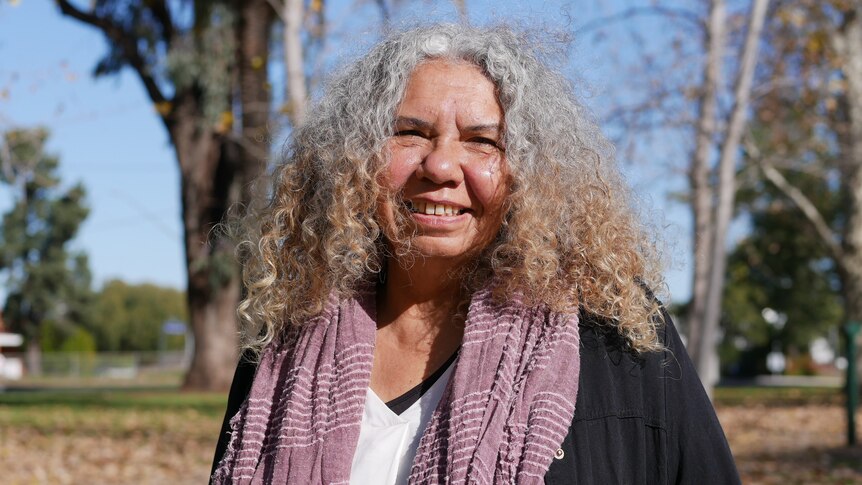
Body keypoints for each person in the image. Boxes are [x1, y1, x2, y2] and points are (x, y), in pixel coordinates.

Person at [210, 24, 740, 485]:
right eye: (409, 133)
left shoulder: (617, 330)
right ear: (355, 161)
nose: (440, 166)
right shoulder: (285, 341)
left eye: (483, 141)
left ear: (528, 175)